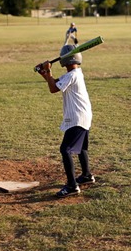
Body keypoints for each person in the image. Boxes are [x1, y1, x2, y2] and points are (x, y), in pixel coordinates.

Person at [36, 45, 95, 198]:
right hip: (83, 115)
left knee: (65, 149)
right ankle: (87, 175)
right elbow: (53, 84)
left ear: (64, 59)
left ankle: (72, 185)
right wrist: (45, 73)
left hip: (77, 117)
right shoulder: (74, 73)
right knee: (81, 147)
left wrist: (47, 70)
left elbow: (54, 88)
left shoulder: (72, 75)